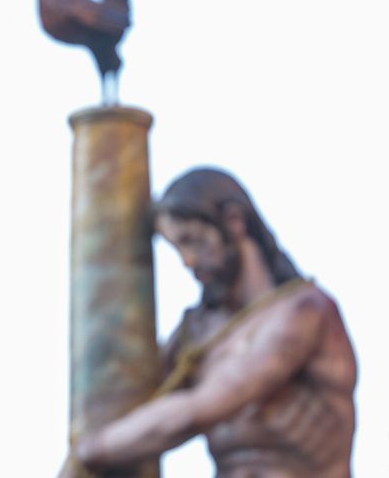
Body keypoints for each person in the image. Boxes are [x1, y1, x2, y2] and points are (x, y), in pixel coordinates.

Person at [73, 168, 357, 477]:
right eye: (177, 248)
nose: (187, 261)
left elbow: (197, 411)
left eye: (192, 241)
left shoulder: (303, 312)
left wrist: (92, 450)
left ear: (234, 221)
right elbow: (137, 398)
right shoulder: (197, 333)